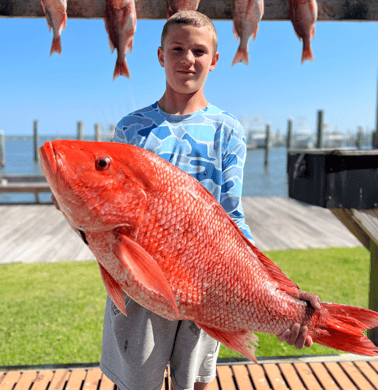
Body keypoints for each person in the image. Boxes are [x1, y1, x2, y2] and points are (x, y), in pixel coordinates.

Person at [97, 11, 321, 390]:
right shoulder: (130, 128)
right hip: (142, 276)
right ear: (160, 55)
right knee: (135, 382)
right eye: (177, 49)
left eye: (199, 51)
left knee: (195, 382)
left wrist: (275, 288)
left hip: (207, 282)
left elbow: (232, 213)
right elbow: (113, 204)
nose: (188, 58)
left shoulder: (227, 129)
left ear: (215, 60)